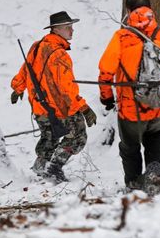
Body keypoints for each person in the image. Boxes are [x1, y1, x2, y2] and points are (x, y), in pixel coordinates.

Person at [98, 0, 160, 192]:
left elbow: (106, 71)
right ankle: (157, 180)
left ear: (128, 12)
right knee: (154, 139)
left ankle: (134, 187)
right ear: (151, 10)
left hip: (132, 108)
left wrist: (106, 97)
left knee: (130, 148)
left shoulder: (122, 37)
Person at [11, 11, 97, 183]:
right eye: (68, 27)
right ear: (56, 30)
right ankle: (53, 169)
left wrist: (18, 88)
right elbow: (66, 89)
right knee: (78, 137)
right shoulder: (59, 54)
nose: (72, 31)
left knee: (49, 137)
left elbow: (25, 68)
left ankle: (40, 166)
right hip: (58, 108)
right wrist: (84, 108)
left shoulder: (36, 46)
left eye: (72, 27)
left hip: (39, 107)